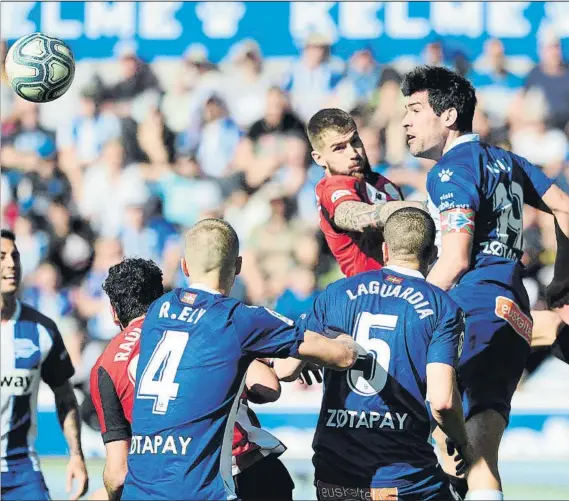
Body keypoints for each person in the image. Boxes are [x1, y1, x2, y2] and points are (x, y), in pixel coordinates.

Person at [400, 65, 569, 500]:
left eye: (415, 110)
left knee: (405, 406)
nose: (405, 121)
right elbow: (565, 208)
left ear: (449, 116)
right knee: (480, 456)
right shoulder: (509, 161)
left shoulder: (450, 171)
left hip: (471, 306)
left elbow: (455, 259)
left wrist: (404, 302)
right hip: (513, 312)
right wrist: (564, 286)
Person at [121, 218, 359, 500]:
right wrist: (340, 338)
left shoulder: (157, 311)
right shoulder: (240, 320)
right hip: (197, 490)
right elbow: (342, 358)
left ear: (184, 266)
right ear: (238, 267)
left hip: (138, 489)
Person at [294, 208, 471, 500]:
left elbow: (286, 369)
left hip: (334, 477)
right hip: (405, 479)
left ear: (385, 249)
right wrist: (462, 442)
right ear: (433, 253)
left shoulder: (336, 292)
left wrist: (311, 355)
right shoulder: (443, 307)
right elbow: (442, 401)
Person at [89, 257, 296, 501]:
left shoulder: (106, 365)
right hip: (251, 470)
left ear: (114, 313)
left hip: (185, 483)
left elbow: (117, 472)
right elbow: (269, 388)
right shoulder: (201, 324)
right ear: (161, 296)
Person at [0, 229, 89, 500]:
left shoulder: (41, 330)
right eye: (1, 257)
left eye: (15, 256)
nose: (11, 264)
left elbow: (65, 396)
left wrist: (76, 455)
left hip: (21, 471)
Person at [306, 108, 422, 277]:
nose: (353, 153)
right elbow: (350, 213)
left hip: (406, 284)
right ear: (319, 158)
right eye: (339, 148)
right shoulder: (333, 187)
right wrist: (414, 210)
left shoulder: (382, 183)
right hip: (371, 294)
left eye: (354, 141)